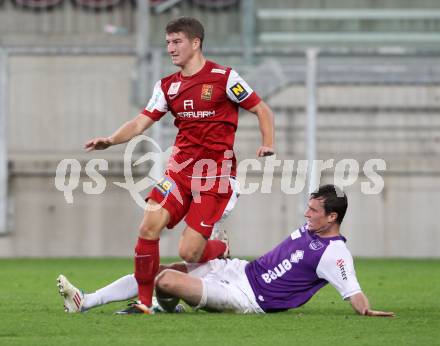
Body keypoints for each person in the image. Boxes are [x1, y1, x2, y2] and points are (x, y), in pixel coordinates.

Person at [84, 17, 275, 313]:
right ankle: (144, 303)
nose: (170, 49)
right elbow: (139, 122)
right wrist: (111, 140)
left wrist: (268, 143)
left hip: (214, 178)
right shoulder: (167, 86)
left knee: (189, 252)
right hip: (179, 172)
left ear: (195, 43)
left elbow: (262, 109)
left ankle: (220, 248)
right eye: (168, 43)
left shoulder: (224, 78)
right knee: (149, 226)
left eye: (177, 42)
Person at [57, 185, 394, 317]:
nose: (306, 215)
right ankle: (86, 301)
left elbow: (353, 291)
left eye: (314, 211)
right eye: (307, 208)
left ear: (332, 217)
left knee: (166, 280)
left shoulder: (336, 254)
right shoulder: (311, 229)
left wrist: (366, 311)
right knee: (168, 268)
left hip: (249, 299)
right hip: (242, 271)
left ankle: (158, 305)